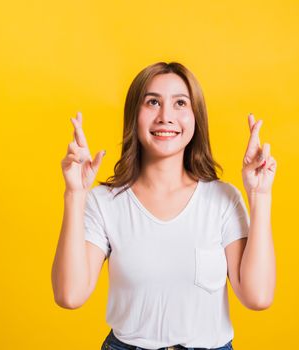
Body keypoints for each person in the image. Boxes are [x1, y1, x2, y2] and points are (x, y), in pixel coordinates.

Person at [51, 61, 277, 350]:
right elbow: (69, 295)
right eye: (153, 102)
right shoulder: (104, 202)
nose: (165, 116)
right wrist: (74, 193)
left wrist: (260, 196)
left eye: (180, 103)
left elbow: (257, 296)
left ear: (196, 118)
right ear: (135, 115)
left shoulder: (223, 200)